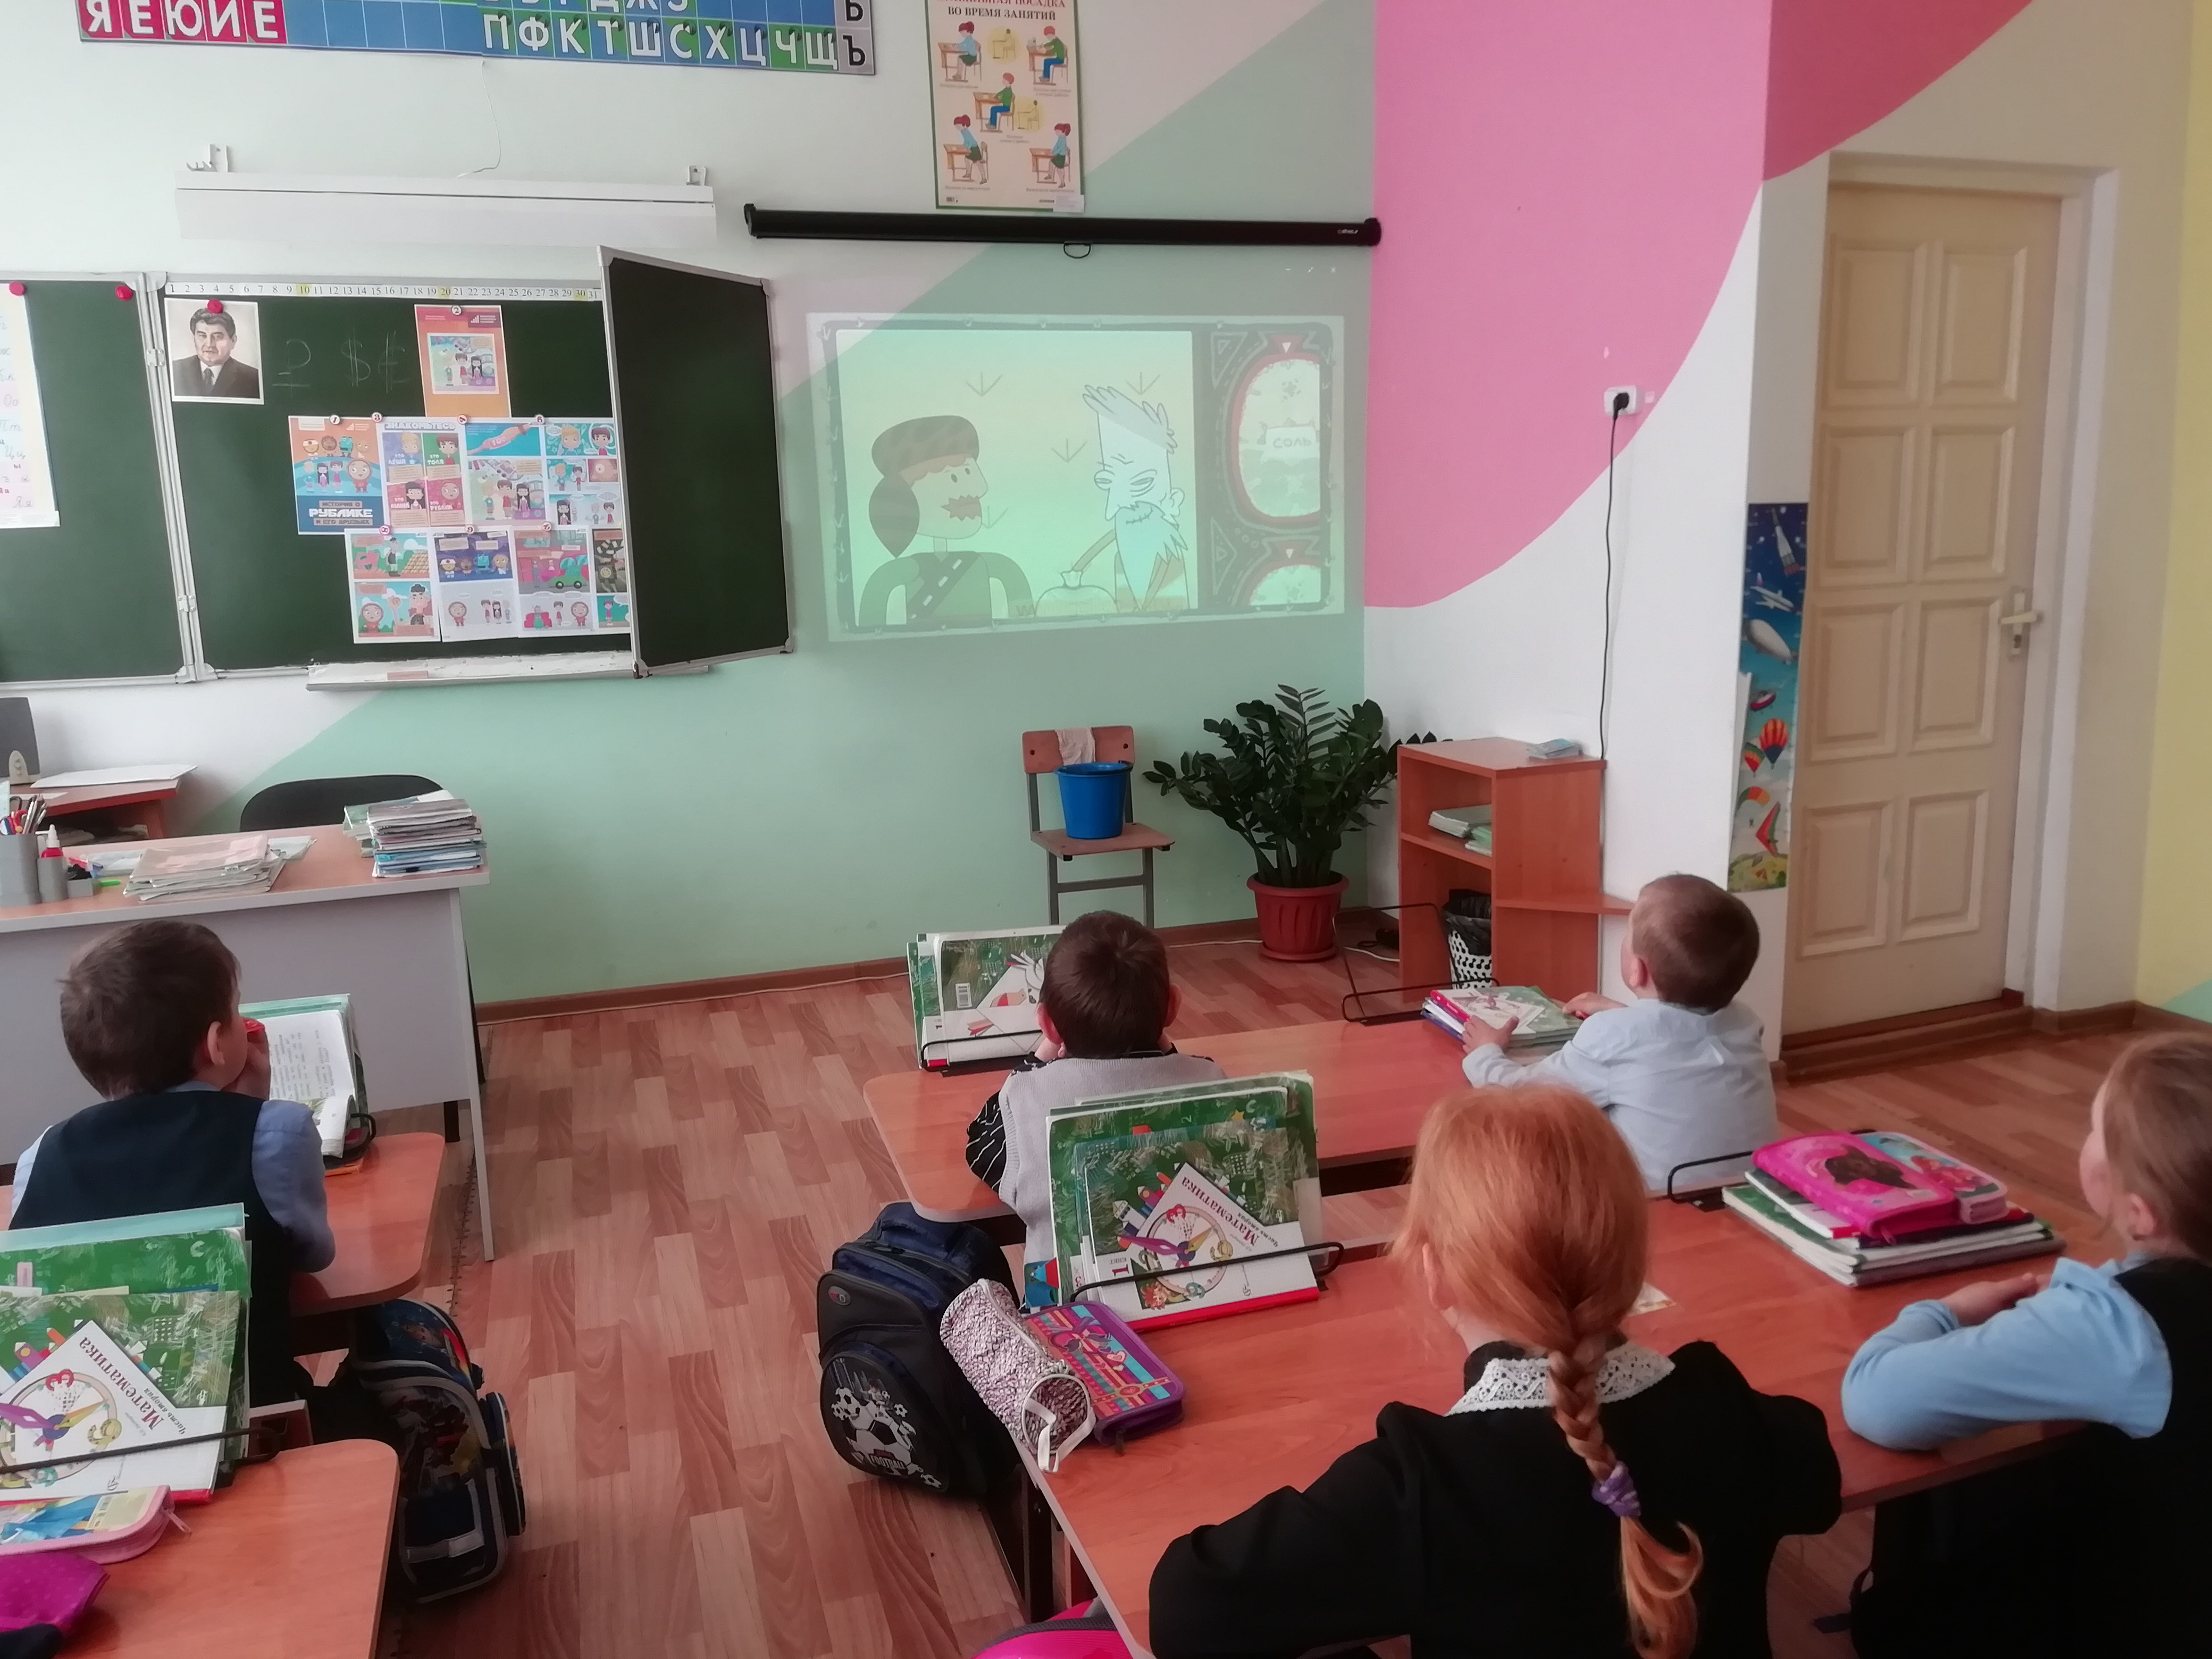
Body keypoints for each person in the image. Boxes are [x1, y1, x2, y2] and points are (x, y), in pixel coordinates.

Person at [1149, 1085, 1841, 1659]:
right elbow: (1815, 1483)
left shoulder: (1421, 1481)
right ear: (1631, 1264)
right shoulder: (1718, 1403)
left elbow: (1187, 1609)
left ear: (1434, 1272)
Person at [1837, 1033, 2212, 1657]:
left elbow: (1877, 1398)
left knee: (1895, 1619)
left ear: (2139, 1212)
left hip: (2154, 1617)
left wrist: (1943, 1312)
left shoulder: (2116, 1325)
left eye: (2094, 1130)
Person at [11, 921, 333, 1407]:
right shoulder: (278, 1132)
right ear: (217, 1043)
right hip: (257, 1423)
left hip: (87, 1420)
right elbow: (310, 1256)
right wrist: (248, 1114)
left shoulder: (40, 1156)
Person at [963, 911, 1224, 1306]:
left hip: (1071, 1325)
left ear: (1047, 1024)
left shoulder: (1027, 1098)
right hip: (1202, 1300)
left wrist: (1040, 1056)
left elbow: (981, 1145)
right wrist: (1165, 1047)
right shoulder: (1212, 1079)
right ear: (1172, 1007)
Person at [1460, 873, 1774, 1191]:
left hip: (1657, 1203)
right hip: (1747, 1193)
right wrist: (1620, 1013)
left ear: (1638, 970)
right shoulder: (1745, 1022)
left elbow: (1526, 1096)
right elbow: (1677, 1040)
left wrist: (1485, 1053)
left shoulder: (1614, 1037)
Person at [170, 305, 260, 400]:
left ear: (233, 341)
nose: (209, 344)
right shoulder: (175, 370)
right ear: (194, 339)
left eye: (217, 337)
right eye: (202, 336)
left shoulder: (253, 378)